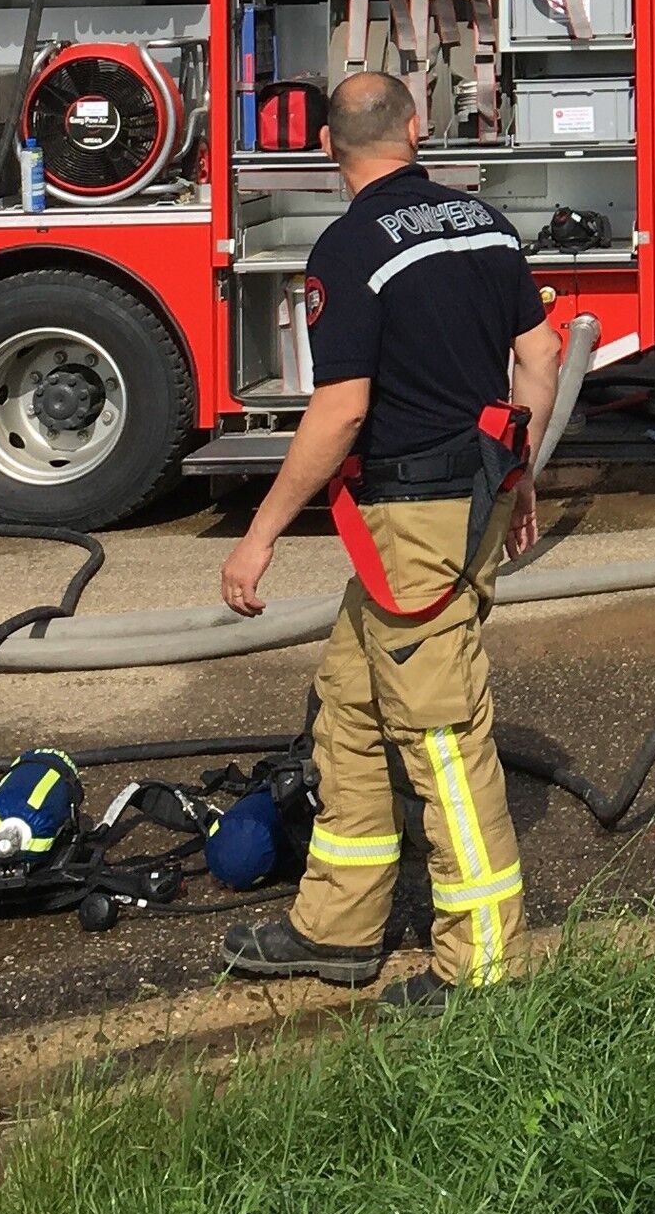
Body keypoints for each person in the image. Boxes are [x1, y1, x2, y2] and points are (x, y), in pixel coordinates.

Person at [215, 71, 560, 1001]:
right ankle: (338, 928)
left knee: (440, 735)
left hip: (412, 522)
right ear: (414, 130)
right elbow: (540, 356)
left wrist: (259, 536)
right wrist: (519, 471)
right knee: (350, 705)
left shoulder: (350, 246)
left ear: (332, 152)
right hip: (470, 505)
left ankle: (483, 964)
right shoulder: (485, 225)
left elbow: (340, 411)